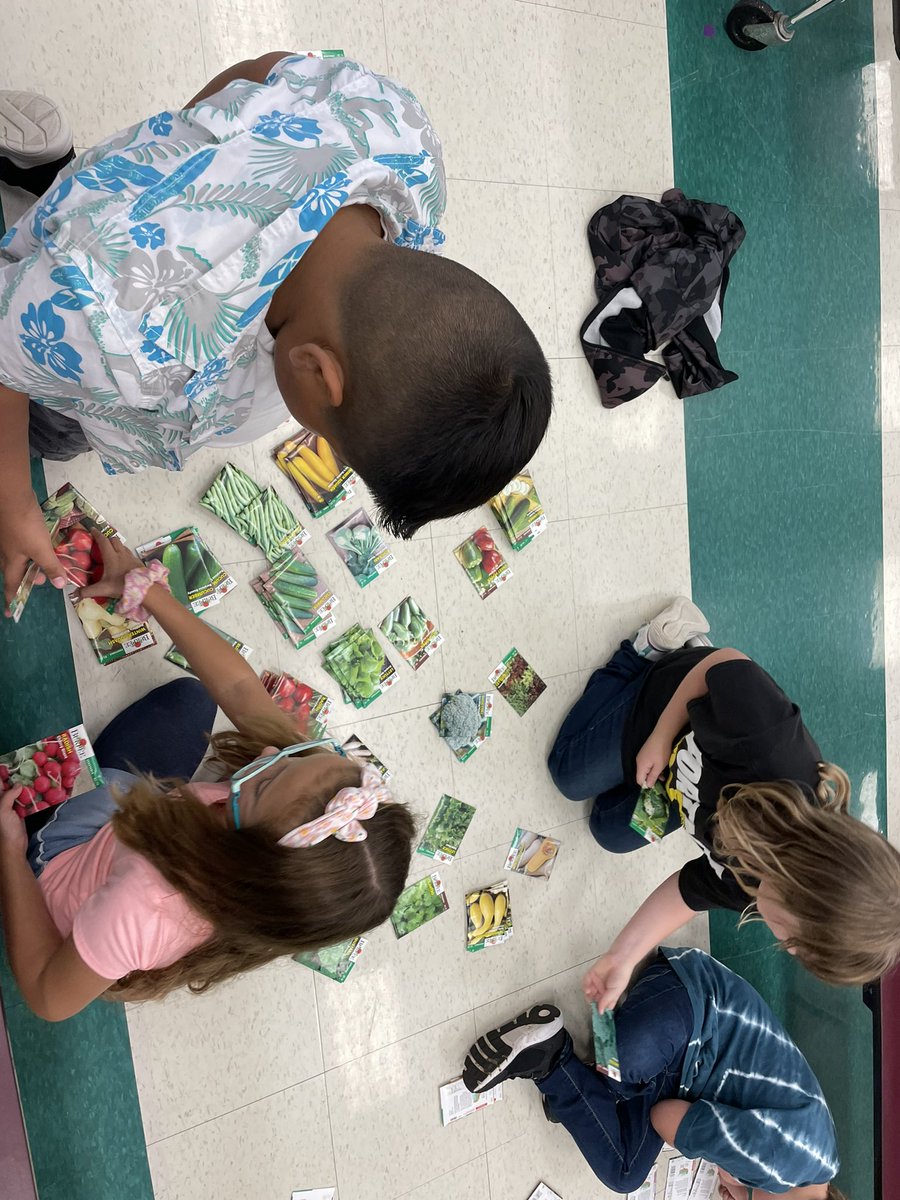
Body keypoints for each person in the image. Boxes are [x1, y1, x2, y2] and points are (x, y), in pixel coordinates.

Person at [0, 58, 552, 607]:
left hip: (90, 263)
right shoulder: (123, 338)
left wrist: (184, 170)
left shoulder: (403, 135)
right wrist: (15, 499)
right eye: (333, 438)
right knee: (43, 431)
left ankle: (52, 176)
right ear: (317, 369)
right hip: (57, 360)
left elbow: (260, 73)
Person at [0, 534, 415, 1021]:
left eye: (264, 781)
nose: (268, 751)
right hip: (138, 829)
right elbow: (240, 687)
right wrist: (148, 591)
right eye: (298, 755)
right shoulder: (306, 804)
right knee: (195, 699)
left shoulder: (146, 904)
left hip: (59, 876)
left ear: (252, 858)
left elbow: (50, 996)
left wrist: (9, 851)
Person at [547, 596, 900, 1007]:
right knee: (568, 774)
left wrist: (622, 957)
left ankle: (653, 756)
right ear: (800, 875)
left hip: (689, 787)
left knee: (608, 830)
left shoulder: (763, 883)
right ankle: (646, 652)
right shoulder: (773, 752)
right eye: (795, 939)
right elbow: (727, 662)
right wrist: (660, 738)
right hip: (676, 701)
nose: (787, 948)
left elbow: (689, 892)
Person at [461, 945, 847, 1199]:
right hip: (698, 1005)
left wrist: (738, 1172)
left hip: (685, 1073)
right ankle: (580, 1090)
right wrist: (728, 1162)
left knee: (625, 1173)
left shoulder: (820, 1164)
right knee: (618, 1069)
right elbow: (665, 1118)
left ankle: (552, 1059)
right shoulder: (779, 1163)